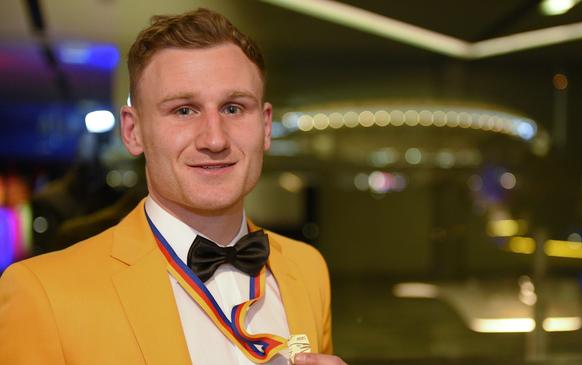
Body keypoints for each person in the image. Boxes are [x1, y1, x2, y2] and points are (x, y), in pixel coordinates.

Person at [0, 8, 345, 365]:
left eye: (233, 108)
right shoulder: (43, 292)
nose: (214, 139)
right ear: (133, 132)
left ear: (266, 125)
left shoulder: (307, 269)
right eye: (184, 110)